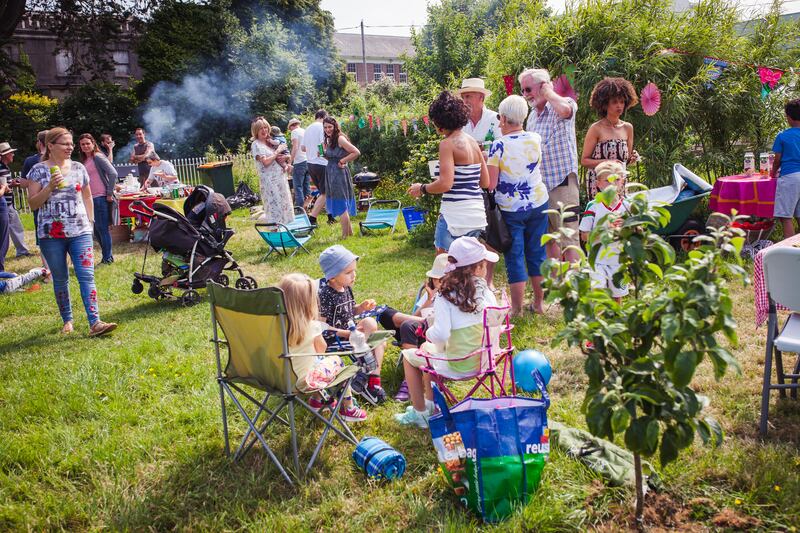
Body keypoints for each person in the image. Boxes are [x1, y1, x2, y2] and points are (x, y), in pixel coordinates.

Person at [394, 237, 499, 428]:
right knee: (428, 353)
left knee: (410, 356)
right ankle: (430, 406)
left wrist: (428, 334)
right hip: (485, 359)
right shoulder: (487, 294)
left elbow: (441, 335)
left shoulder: (446, 296)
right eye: (484, 265)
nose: (486, 269)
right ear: (476, 269)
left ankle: (420, 413)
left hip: (458, 364)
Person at [26, 127, 118, 336]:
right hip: (51, 235)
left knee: (87, 275)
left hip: (80, 231)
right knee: (60, 278)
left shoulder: (78, 167)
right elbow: (32, 204)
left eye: (71, 144)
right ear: (50, 146)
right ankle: (67, 320)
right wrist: (49, 187)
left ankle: (95, 322)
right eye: (65, 144)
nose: (70, 147)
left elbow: (87, 196)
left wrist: (91, 221)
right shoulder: (38, 170)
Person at [318, 245, 423, 404]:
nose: (353, 275)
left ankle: (370, 379)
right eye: (348, 272)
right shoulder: (325, 294)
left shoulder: (345, 288)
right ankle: (368, 375)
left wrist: (361, 308)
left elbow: (349, 312)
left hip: (352, 334)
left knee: (372, 326)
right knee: (377, 342)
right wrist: (347, 334)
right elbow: (321, 327)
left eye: (354, 271)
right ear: (332, 277)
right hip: (335, 339)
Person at [487, 95, 549, 316]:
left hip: (512, 208)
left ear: (503, 118)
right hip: (539, 202)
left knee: (515, 256)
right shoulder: (535, 138)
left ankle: (517, 309)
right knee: (537, 252)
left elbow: (491, 183)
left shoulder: (498, 145)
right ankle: (540, 304)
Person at [278, 273, 367, 421]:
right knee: (335, 361)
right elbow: (321, 350)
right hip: (301, 382)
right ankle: (349, 408)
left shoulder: (272, 327)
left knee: (311, 364)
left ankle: (318, 400)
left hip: (272, 378)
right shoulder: (311, 326)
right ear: (309, 302)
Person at [408, 91, 489, 253]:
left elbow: (446, 183)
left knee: (445, 266)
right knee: (468, 268)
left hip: (454, 217)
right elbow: (485, 182)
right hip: (476, 215)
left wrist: (422, 188)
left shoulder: (447, 144)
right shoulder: (472, 142)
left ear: (439, 121)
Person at [520, 68, 581, 264]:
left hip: (562, 183)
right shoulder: (531, 117)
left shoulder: (564, 104)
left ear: (543, 86)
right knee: (548, 239)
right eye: (522, 91)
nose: (526, 95)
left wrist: (548, 92)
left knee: (569, 238)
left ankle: (573, 290)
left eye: (529, 89)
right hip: (541, 187)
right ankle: (556, 288)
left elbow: (565, 110)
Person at [394, 253, 449, 402]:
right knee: (406, 325)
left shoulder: (456, 294)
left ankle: (416, 379)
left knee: (425, 328)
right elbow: (415, 315)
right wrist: (429, 300)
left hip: (444, 332)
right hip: (425, 324)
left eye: (443, 278)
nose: (440, 282)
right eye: (437, 279)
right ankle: (409, 377)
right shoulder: (430, 294)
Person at [579, 161, 629, 302]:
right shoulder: (594, 206)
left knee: (616, 298)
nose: (612, 184)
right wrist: (606, 232)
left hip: (619, 260)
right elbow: (584, 235)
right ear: (598, 184)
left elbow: (637, 231)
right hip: (598, 260)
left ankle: (615, 322)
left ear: (622, 182)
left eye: (617, 179)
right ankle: (598, 323)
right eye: (607, 180)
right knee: (598, 296)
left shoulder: (627, 206)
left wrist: (626, 228)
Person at [581, 77, 639, 198]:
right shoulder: (596, 128)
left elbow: (624, 160)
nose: (619, 106)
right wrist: (607, 162)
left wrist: (632, 158)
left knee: (620, 215)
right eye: (614, 102)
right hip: (599, 184)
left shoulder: (628, 128)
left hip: (619, 183)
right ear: (605, 104)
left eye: (622, 102)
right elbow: (584, 161)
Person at [78, 133, 118, 264]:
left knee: (102, 229)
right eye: (83, 144)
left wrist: (109, 193)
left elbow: (113, 173)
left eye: (87, 143)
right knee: (96, 231)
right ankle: (106, 256)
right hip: (89, 199)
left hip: (100, 197)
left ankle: (108, 258)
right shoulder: (84, 160)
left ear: (93, 144)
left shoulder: (98, 157)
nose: (85, 146)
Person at [250, 117, 293, 226]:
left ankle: (285, 231)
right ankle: (275, 233)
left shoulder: (270, 142)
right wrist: (278, 151)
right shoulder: (256, 145)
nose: (264, 130)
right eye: (261, 129)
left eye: (265, 127)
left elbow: (280, 156)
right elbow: (266, 162)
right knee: (274, 207)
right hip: (270, 182)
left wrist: (286, 157)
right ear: (256, 131)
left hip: (280, 179)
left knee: (283, 204)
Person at [322, 117, 360, 238]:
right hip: (331, 173)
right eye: (325, 127)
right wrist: (324, 154)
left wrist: (343, 160)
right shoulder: (329, 139)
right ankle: (349, 233)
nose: (327, 129)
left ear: (335, 127)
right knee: (339, 202)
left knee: (341, 204)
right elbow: (332, 157)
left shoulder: (340, 138)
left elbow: (356, 152)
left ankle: (344, 236)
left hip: (339, 174)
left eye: (330, 127)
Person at [770, 98, 800, 238]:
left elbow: (777, 160)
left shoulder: (783, 136)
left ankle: (790, 252)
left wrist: (772, 173)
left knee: (786, 216)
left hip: (790, 177)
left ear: (788, 117)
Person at [0, 142, 32, 258]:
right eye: (11, 153)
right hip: (5, 204)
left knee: (14, 227)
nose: (13, 155)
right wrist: (12, 185)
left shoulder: (4, 167)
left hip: (7, 203)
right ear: (5, 155)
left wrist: (12, 182)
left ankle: (21, 250)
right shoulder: (1, 168)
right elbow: (3, 186)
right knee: (16, 227)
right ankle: (22, 251)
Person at [302, 109, 333, 225]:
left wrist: (312, 150)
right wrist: (323, 154)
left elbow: (303, 148)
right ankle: (312, 219)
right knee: (326, 193)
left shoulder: (308, 128)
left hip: (310, 164)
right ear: (324, 117)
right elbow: (321, 144)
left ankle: (330, 217)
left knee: (323, 192)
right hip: (321, 163)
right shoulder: (321, 127)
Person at [456, 77, 500, 148]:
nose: (464, 102)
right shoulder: (459, 122)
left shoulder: (496, 118)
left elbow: (502, 146)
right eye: (462, 97)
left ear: (481, 97)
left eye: (468, 96)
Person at [288, 118, 311, 209]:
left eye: (290, 128)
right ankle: (308, 207)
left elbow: (295, 147)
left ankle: (300, 209)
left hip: (299, 162)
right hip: (308, 161)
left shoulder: (294, 132)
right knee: (306, 186)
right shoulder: (305, 131)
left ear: (292, 126)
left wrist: (290, 161)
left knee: (297, 186)